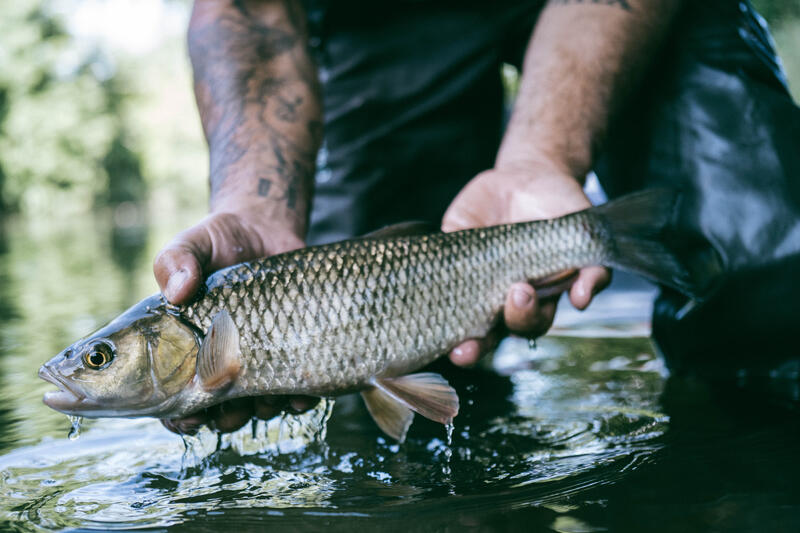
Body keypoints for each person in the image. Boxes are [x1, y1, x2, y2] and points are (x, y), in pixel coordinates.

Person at [155, 0, 800, 434]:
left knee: (763, 277)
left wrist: (544, 153)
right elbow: (249, 10)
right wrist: (254, 204)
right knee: (354, 396)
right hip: (372, 24)